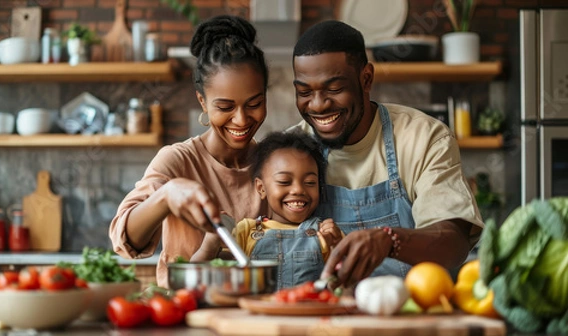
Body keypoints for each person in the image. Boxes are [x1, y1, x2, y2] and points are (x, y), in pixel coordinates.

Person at [289, 20, 484, 288]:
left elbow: (454, 242)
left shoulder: (423, 137)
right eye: (304, 92)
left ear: (366, 78)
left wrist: (389, 240)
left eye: (334, 89)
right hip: (316, 317)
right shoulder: (289, 150)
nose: (318, 105)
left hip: (406, 318)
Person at [109, 15, 270, 288]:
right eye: (225, 107)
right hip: (182, 313)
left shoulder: (272, 164)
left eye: (254, 103)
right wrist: (165, 196)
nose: (242, 120)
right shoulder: (178, 160)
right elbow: (124, 240)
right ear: (203, 103)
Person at [192, 131, 343, 289]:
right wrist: (210, 244)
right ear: (261, 188)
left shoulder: (326, 233)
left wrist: (336, 247)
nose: (298, 189)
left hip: (308, 312)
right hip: (256, 312)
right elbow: (200, 277)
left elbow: (343, 285)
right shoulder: (246, 231)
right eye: (284, 181)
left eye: (310, 182)